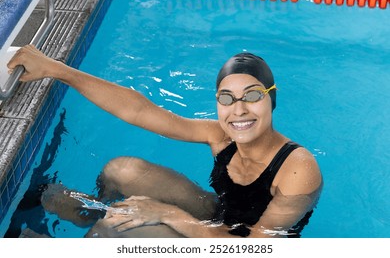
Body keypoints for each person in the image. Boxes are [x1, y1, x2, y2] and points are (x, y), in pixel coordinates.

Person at [7, 45, 322, 238]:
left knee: (114, 231)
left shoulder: (297, 169)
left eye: (252, 96)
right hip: (218, 217)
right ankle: (90, 213)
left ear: (272, 100)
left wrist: (167, 214)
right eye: (227, 99)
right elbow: (140, 110)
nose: (238, 109)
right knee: (122, 170)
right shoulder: (220, 135)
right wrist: (58, 70)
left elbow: (254, 246)